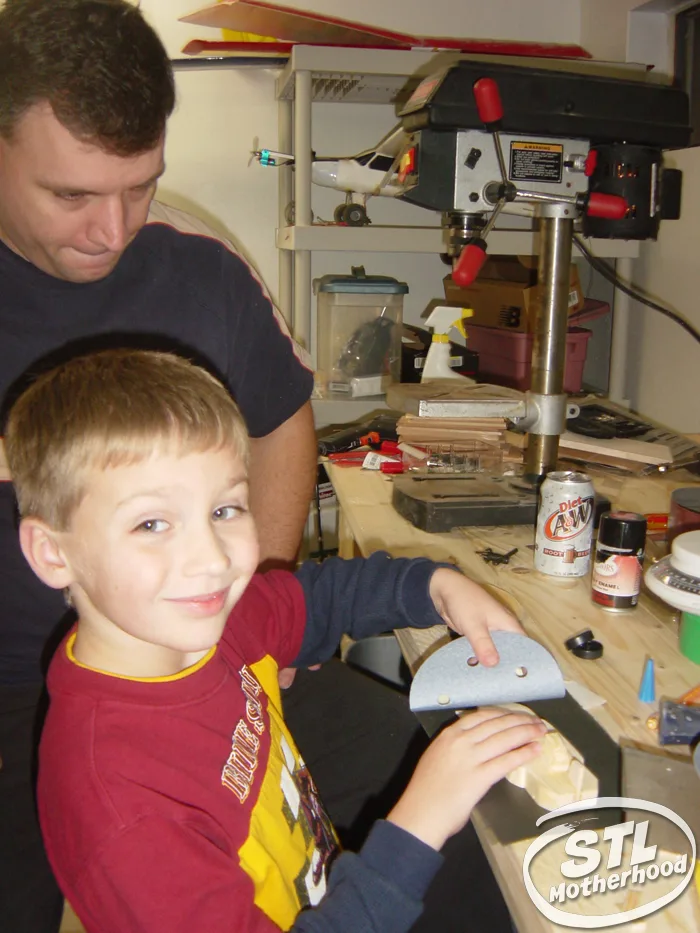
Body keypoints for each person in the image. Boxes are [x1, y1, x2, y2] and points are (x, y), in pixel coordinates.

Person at [0, 3, 520, 931]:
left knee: (451, 809)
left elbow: (285, 451)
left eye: (140, 187)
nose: (111, 230)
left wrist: (419, 586)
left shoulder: (200, 273)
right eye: (72, 196)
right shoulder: (118, 802)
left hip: (203, 661)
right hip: (49, 701)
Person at [4, 348, 546, 933]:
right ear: (53, 553)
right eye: (152, 524)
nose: (211, 560)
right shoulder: (121, 809)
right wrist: (418, 825)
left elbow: (314, 600)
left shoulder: (201, 626)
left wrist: (434, 587)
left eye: (225, 508)